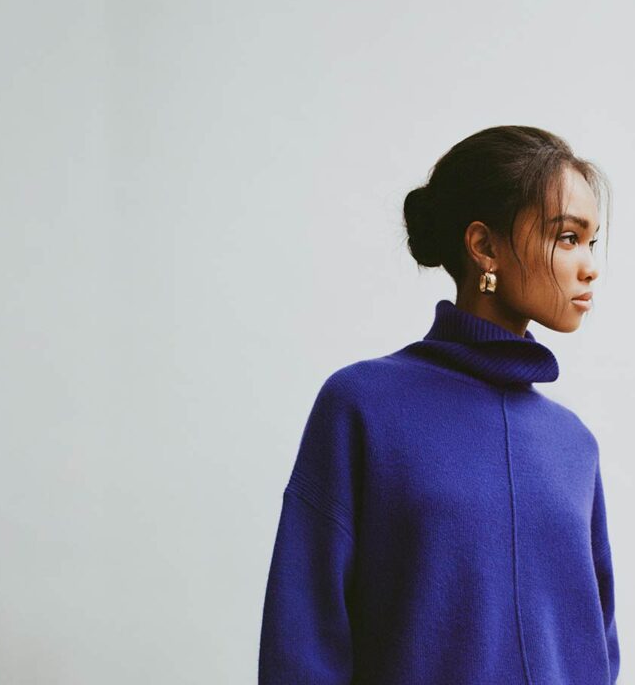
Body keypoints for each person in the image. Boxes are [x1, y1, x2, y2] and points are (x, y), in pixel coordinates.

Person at [260, 126, 617, 684]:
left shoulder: (573, 445)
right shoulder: (363, 407)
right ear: (485, 247)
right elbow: (301, 642)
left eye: (591, 242)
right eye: (567, 238)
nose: (590, 265)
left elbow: (599, 652)